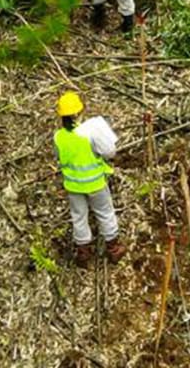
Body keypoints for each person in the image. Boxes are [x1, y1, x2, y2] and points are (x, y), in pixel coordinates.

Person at [54, 91, 124, 265]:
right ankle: (113, 249)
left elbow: (59, 157)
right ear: (78, 112)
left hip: (73, 186)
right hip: (95, 184)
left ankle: (83, 254)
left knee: (78, 216)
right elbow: (109, 152)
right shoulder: (89, 132)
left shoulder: (58, 137)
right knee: (105, 213)